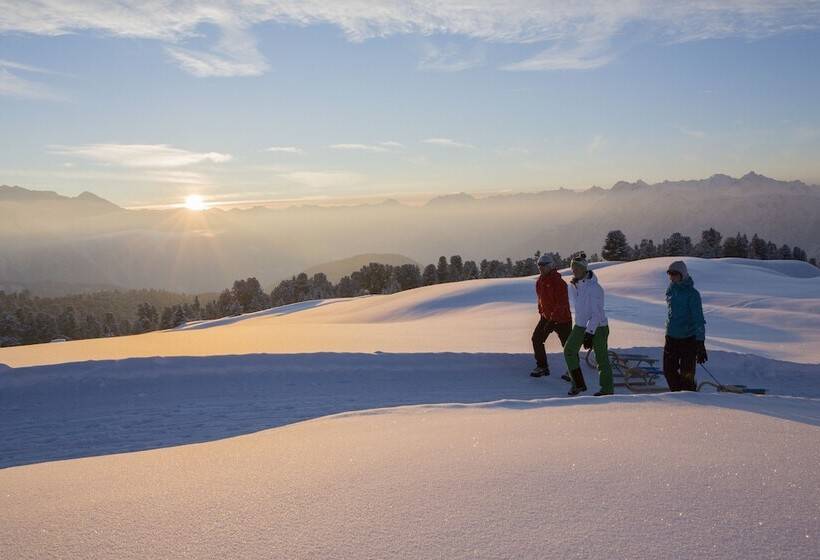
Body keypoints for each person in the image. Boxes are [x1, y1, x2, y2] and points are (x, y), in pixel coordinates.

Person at [563, 253, 614, 396]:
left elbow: (597, 314)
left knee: (601, 358)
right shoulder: (574, 285)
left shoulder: (594, 288)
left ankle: (607, 390)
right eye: (573, 268)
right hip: (580, 325)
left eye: (577, 268)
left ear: (584, 269)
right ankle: (578, 384)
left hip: (598, 327)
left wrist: (589, 333)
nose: (574, 271)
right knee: (569, 351)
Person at [664, 260, 707, 391]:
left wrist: (700, 342)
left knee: (687, 374)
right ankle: (677, 395)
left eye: (675, 274)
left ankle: (689, 397)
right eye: (670, 274)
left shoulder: (692, 294)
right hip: (671, 336)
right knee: (668, 370)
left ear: (682, 274)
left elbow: (698, 319)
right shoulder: (671, 290)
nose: (672, 277)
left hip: (688, 338)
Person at [530, 253, 572, 377]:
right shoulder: (539, 282)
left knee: (568, 346)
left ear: (551, 266)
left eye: (544, 265)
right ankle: (542, 367)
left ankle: (573, 370)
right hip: (547, 318)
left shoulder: (559, 283)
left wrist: (552, 320)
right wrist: (542, 313)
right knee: (536, 339)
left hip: (563, 319)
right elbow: (540, 300)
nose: (541, 268)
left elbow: (561, 303)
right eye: (539, 265)